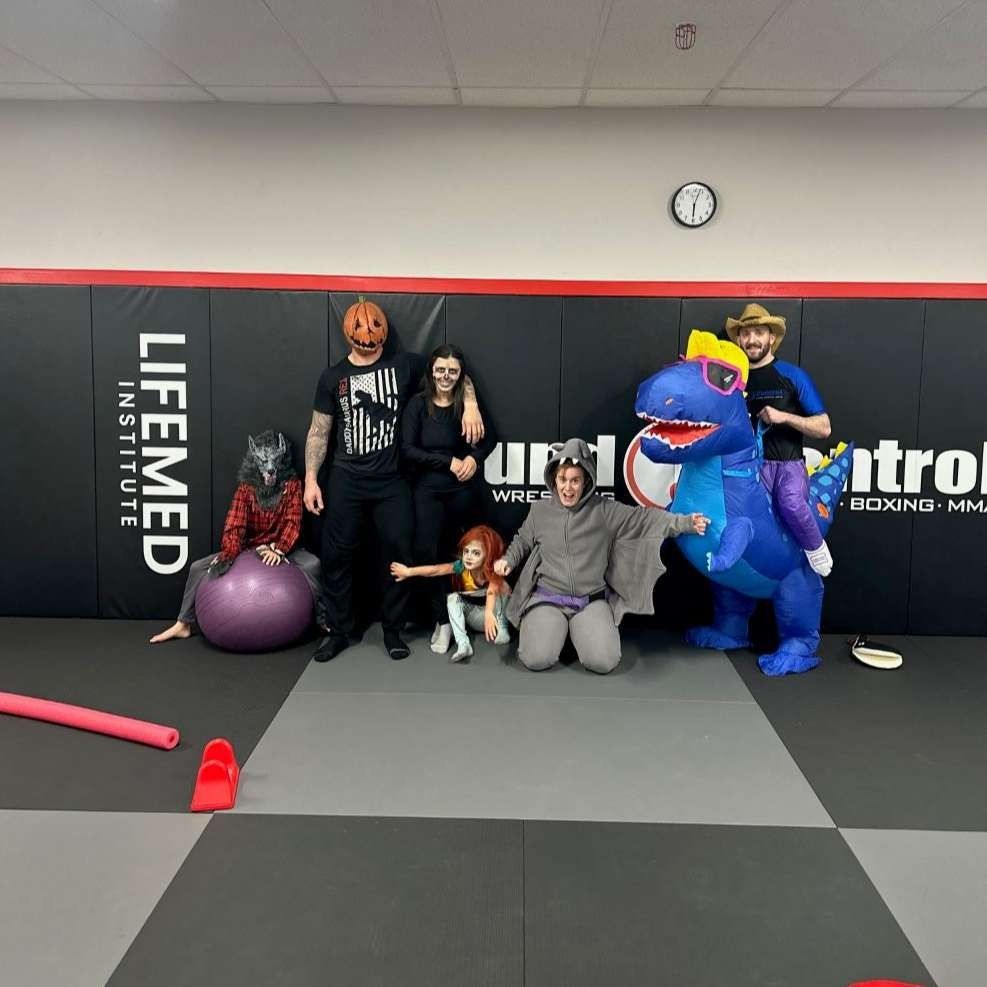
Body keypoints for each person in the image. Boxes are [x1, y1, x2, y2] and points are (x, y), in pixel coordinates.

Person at [304, 298, 484, 662]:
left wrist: (472, 402)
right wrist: (310, 477)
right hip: (346, 478)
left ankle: (392, 630)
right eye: (360, 330)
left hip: (392, 481)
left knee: (398, 554)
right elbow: (319, 432)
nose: (367, 337)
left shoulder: (403, 365)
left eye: (374, 330)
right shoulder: (333, 378)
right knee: (337, 555)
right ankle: (339, 631)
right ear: (348, 332)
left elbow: (449, 371)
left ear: (383, 331)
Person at [493, 438, 708, 674]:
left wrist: (685, 523)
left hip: (589, 601)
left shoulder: (604, 510)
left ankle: (582, 632)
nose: (567, 488)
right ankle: (550, 630)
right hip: (547, 598)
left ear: (586, 481)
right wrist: (508, 560)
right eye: (563, 480)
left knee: (604, 662)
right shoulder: (540, 510)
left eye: (575, 481)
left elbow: (645, 519)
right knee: (535, 659)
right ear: (554, 479)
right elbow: (523, 540)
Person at [151, 430, 324, 643]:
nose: (269, 468)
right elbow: (235, 525)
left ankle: (321, 618)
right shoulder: (246, 489)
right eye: (263, 462)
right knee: (198, 567)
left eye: (273, 462)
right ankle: (183, 623)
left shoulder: (293, 486)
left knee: (313, 564)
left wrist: (278, 548)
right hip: (249, 550)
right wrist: (230, 554)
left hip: (283, 548)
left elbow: (292, 522)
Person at [401, 344, 499, 653]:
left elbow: (490, 438)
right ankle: (441, 621)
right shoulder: (418, 405)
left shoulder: (466, 405)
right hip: (427, 491)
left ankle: (467, 616)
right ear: (432, 371)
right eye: (441, 370)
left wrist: (474, 458)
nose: (446, 376)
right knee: (428, 554)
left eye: (453, 371)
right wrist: (447, 462)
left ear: (461, 375)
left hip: (463, 492)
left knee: (464, 556)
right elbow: (407, 450)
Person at [724, 303, 834, 576]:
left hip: (788, 466)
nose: (751, 340)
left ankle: (816, 547)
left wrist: (784, 417)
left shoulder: (792, 376)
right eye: (746, 333)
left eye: (758, 332)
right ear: (738, 339)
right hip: (748, 470)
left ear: (771, 337)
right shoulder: (732, 380)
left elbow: (824, 428)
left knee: (791, 503)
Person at [390, 525, 510, 662]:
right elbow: (436, 570)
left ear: (487, 556)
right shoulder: (461, 567)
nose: (469, 557)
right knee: (453, 598)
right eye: (467, 551)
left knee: (503, 586)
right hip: (475, 617)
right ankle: (463, 643)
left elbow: (492, 590)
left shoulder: (492, 569)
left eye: (476, 553)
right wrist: (409, 572)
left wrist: (489, 612)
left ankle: (503, 628)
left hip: (493, 617)